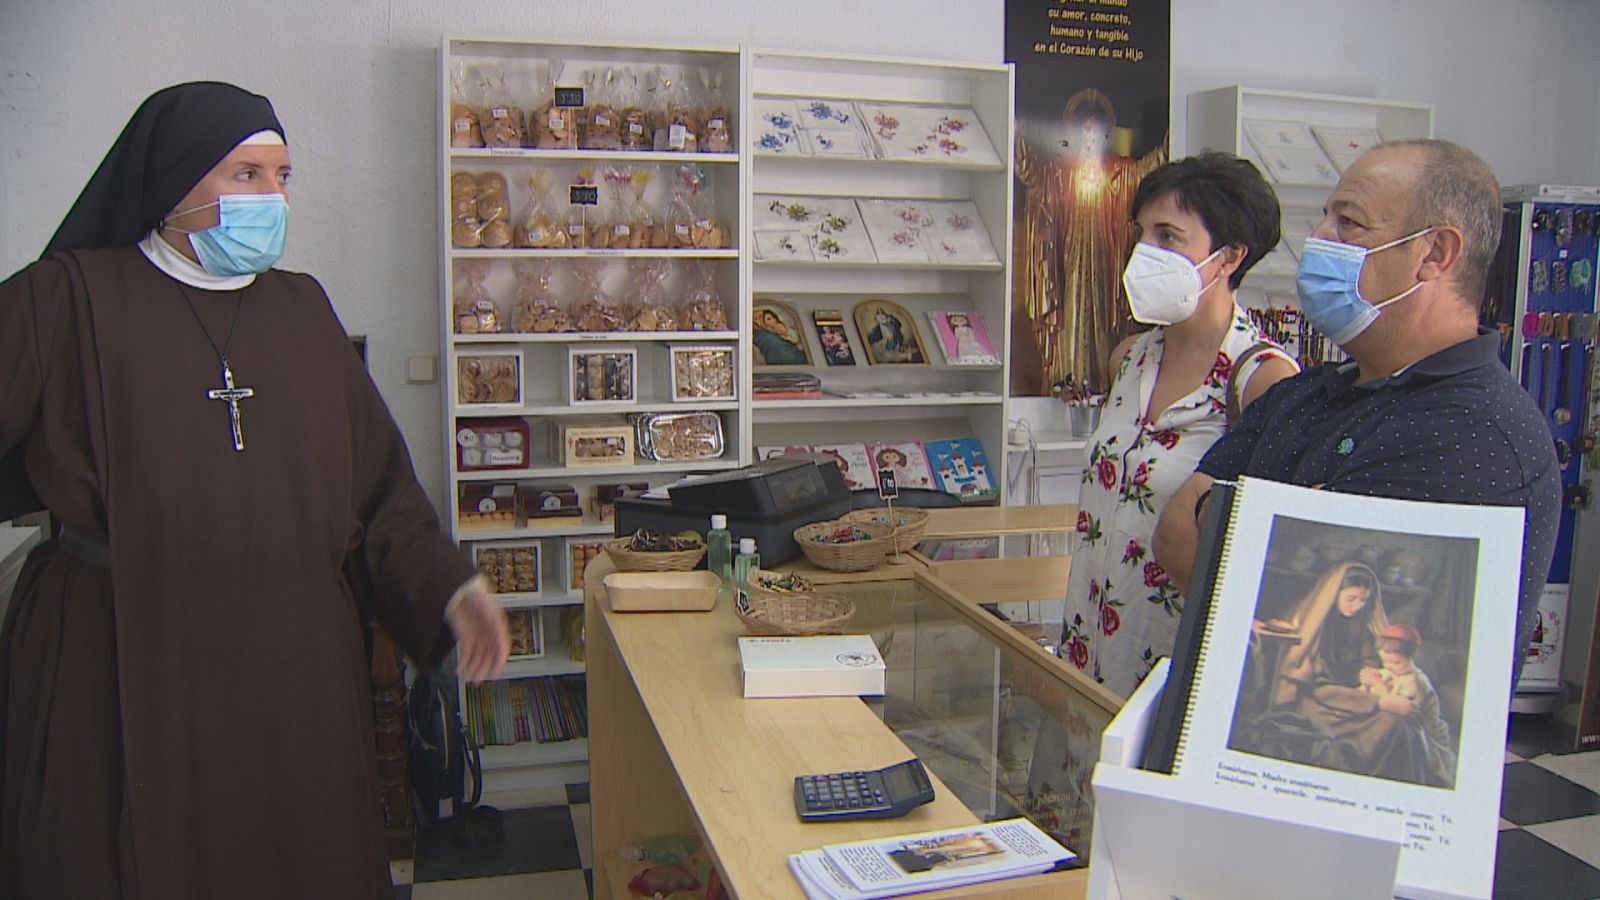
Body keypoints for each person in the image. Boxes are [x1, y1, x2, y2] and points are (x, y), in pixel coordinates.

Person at [0, 82, 509, 899]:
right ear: (174, 182)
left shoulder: (303, 310)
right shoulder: (66, 299)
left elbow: (381, 492)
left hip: (294, 671)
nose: (272, 198)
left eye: (282, 177)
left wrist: (450, 589)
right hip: (123, 654)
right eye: (246, 175)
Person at [1154, 140, 1561, 687]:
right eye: (1325, 217)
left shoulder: (1479, 433)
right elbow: (1174, 533)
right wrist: (1256, 523)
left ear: (1435, 253)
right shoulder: (1307, 391)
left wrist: (1224, 511)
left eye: (1348, 223)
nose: (1318, 238)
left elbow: (1317, 611)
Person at [1059, 152, 1298, 696]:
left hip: (1173, 669)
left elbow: (1266, 559)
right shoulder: (1129, 359)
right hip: (1087, 651)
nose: (1145, 253)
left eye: (1168, 236)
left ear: (1229, 256)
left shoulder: (1261, 379)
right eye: (1141, 234)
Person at [1014, 87, 1166, 396]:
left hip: (1105, 261)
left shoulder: (1120, 171)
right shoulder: (1059, 172)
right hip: (1067, 262)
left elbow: (1150, 167)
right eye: (1084, 131)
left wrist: (1170, 144)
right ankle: (1067, 379)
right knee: (1069, 319)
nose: (1089, 137)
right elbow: (1030, 171)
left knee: (1104, 319)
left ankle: (1102, 382)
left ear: (1105, 134)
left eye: (1095, 132)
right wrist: (1013, 129)